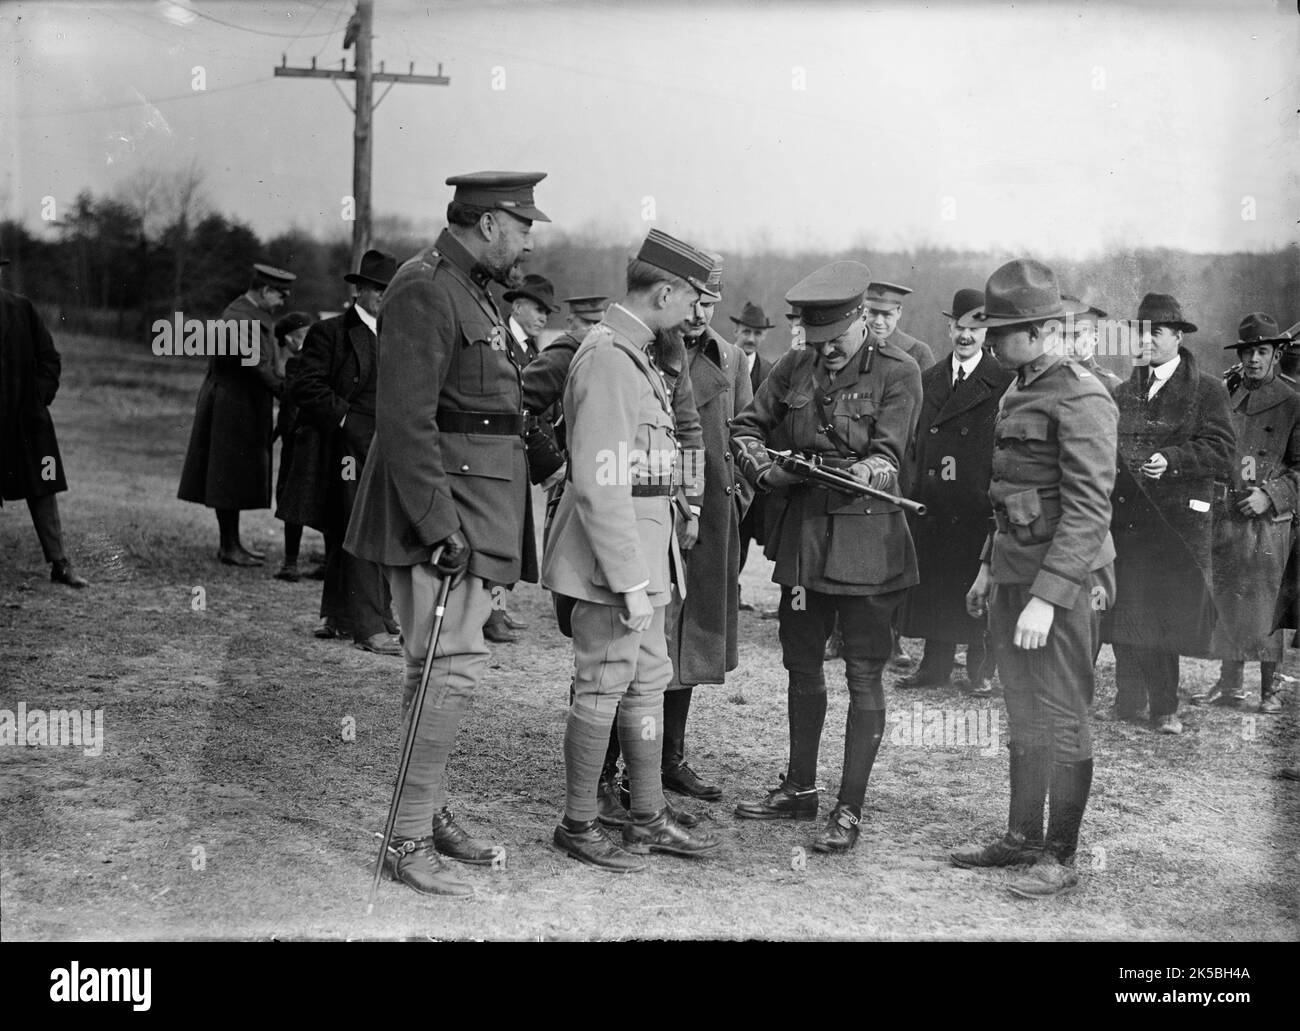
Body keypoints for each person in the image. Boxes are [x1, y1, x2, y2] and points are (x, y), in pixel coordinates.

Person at [343, 172, 548, 896]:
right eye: (523, 227)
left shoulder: (476, 290)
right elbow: (406, 420)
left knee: (432, 669)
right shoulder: (424, 286)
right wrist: (438, 524)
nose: (528, 242)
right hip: (440, 511)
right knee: (447, 669)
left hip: (474, 503)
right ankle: (403, 839)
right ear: (489, 223)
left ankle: (424, 813)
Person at [542, 228, 722, 872]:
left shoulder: (638, 353)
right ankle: (579, 824)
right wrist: (626, 580)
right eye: (694, 297)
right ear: (665, 291)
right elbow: (599, 481)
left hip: (647, 554)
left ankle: (646, 816)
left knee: (647, 682)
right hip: (611, 563)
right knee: (600, 686)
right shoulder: (609, 358)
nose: (698, 311)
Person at [731, 260, 922, 853]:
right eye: (814, 341)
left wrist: (856, 470)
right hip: (804, 541)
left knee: (864, 673)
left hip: (869, 544)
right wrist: (769, 471)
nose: (824, 352)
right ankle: (799, 788)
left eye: (833, 340)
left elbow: (890, 458)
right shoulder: (795, 364)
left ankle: (850, 808)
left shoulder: (900, 371)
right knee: (801, 665)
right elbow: (744, 428)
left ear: (860, 320)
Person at [954, 258, 1118, 899]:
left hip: (1065, 584)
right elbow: (1009, 494)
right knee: (1022, 711)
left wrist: (1047, 601)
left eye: (1004, 331)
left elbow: (1087, 510)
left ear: (1045, 328)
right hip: (1015, 575)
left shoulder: (1081, 394)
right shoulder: (1018, 387)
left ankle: (1061, 854)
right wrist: (988, 569)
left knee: (1063, 713)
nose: (992, 341)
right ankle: (1023, 837)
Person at [1102, 293, 1234, 735]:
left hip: (1175, 523)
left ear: (1178, 336)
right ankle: (1128, 700)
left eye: (1155, 332)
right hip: (1130, 521)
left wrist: (1172, 459)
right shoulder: (1124, 391)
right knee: (1126, 609)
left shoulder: (1208, 390)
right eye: (1139, 332)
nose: (1146, 340)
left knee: (1164, 613)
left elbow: (1222, 450)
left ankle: (1164, 708)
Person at [660, 265, 755, 801]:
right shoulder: (648, 347)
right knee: (648, 639)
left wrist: (734, 498)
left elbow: (745, 433)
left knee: (691, 639)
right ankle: (621, 768)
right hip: (655, 511)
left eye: (710, 304)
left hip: (710, 521)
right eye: (692, 302)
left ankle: (672, 758)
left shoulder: (732, 358)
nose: (698, 316)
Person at [897, 288, 1012, 697]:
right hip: (935, 501)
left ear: (987, 332)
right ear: (949, 327)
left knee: (975, 586)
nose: (966, 336)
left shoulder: (1003, 382)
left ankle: (980, 668)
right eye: (959, 327)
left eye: (975, 328)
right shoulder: (928, 379)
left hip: (977, 500)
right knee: (937, 583)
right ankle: (935, 665)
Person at [289, 249, 401, 655]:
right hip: (345, 450)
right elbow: (305, 385)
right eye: (376, 289)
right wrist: (346, 420)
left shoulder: (396, 334)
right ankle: (369, 626)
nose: (383, 297)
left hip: (385, 445)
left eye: (390, 290)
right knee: (361, 528)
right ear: (361, 291)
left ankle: (341, 614)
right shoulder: (330, 333)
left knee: (357, 529)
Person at [1195, 314, 1299, 715]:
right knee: (1228, 596)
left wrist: (1271, 496)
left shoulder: (1293, 403)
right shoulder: (1225, 396)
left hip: (1268, 522)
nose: (1254, 359)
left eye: (1262, 351)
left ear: (1276, 354)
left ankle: (1270, 688)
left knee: (1265, 602)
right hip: (1227, 513)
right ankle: (1229, 683)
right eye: (1248, 352)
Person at [178, 262, 296, 565]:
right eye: (280, 294)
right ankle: (229, 547)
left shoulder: (253, 314)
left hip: (241, 401)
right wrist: (288, 393)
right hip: (231, 403)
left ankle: (232, 544)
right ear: (266, 290)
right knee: (227, 474)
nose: (283, 301)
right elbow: (257, 367)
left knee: (234, 473)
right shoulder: (241, 318)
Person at [0, 256, 88, 587]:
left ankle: (60, 564)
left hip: (25, 421)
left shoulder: (21, 309)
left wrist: (36, 399)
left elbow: (50, 359)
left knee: (43, 489)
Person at [486, 274, 560, 643]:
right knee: (499, 536)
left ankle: (496, 609)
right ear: (516, 306)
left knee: (512, 537)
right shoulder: (499, 339)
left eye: (548, 311)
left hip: (521, 451)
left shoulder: (531, 347)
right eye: (537, 308)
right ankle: (490, 614)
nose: (544, 316)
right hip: (498, 450)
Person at [730, 301, 774, 604]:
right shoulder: (723, 361)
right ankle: (727, 587)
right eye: (746, 331)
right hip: (727, 463)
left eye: (757, 333)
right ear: (736, 330)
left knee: (747, 530)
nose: (751, 338)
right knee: (728, 531)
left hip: (756, 467)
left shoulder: (771, 371)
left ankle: (736, 586)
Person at [270, 310, 314, 582]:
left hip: (298, 440)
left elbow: (290, 403)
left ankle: (291, 563)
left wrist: (281, 431)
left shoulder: (297, 364)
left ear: (291, 339)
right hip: (321, 435)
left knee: (291, 496)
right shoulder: (325, 360)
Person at [866, 280, 936, 371]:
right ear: (865, 311)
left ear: (899, 312)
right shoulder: (853, 347)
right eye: (873, 313)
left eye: (887, 315)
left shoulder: (919, 352)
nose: (879, 321)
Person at [1060, 293, 1122, 394]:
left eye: (1075, 335)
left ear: (1095, 337)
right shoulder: (1040, 382)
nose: (1066, 344)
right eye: (1061, 335)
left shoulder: (1110, 386)